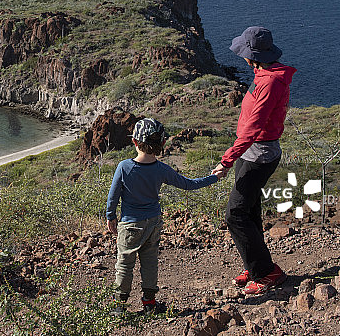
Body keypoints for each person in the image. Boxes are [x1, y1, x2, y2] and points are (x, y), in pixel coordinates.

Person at [212, 26, 297, 295]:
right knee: (249, 211)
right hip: (252, 152)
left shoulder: (270, 81)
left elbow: (254, 127)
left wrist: (226, 161)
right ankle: (255, 264)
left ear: (252, 55)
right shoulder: (264, 74)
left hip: (258, 155)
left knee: (235, 214)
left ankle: (267, 272)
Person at [106, 117, 220, 314]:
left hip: (130, 225)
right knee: (150, 264)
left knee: (124, 265)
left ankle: (119, 307)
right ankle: (149, 304)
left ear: (134, 142)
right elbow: (188, 184)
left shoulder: (124, 167)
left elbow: (113, 196)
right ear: (163, 144)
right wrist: (213, 177)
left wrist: (110, 216)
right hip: (153, 223)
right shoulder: (161, 169)